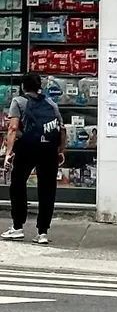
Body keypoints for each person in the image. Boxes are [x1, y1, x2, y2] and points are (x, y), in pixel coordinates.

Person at [2, 73, 65, 244]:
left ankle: (17, 227)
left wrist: (8, 153)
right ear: (39, 86)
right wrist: (60, 151)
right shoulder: (51, 103)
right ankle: (42, 232)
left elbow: (13, 128)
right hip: (49, 151)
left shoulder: (18, 101)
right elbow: (62, 128)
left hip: (27, 148)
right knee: (47, 190)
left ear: (23, 86)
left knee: (17, 184)